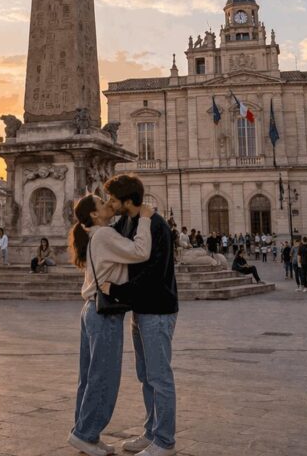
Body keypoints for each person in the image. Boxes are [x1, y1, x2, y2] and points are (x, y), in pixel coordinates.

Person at [67, 190, 153, 456]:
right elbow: (141, 251)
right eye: (103, 203)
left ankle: (85, 433)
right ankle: (86, 434)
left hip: (91, 310)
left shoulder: (97, 234)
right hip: (104, 313)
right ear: (94, 214)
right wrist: (146, 219)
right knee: (104, 377)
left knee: (89, 377)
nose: (108, 204)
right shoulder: (104, 234)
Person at [103, 174, 179, 456]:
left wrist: (118, 291)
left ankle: (165, 441)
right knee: (146, 375)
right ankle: (151, 432)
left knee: (160, 376)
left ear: (127, 200)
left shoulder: (156, 225)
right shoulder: (126, 222)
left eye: (113, 199)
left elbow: (153, 274)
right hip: (140, 310)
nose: (110, 204)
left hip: (158, 309)